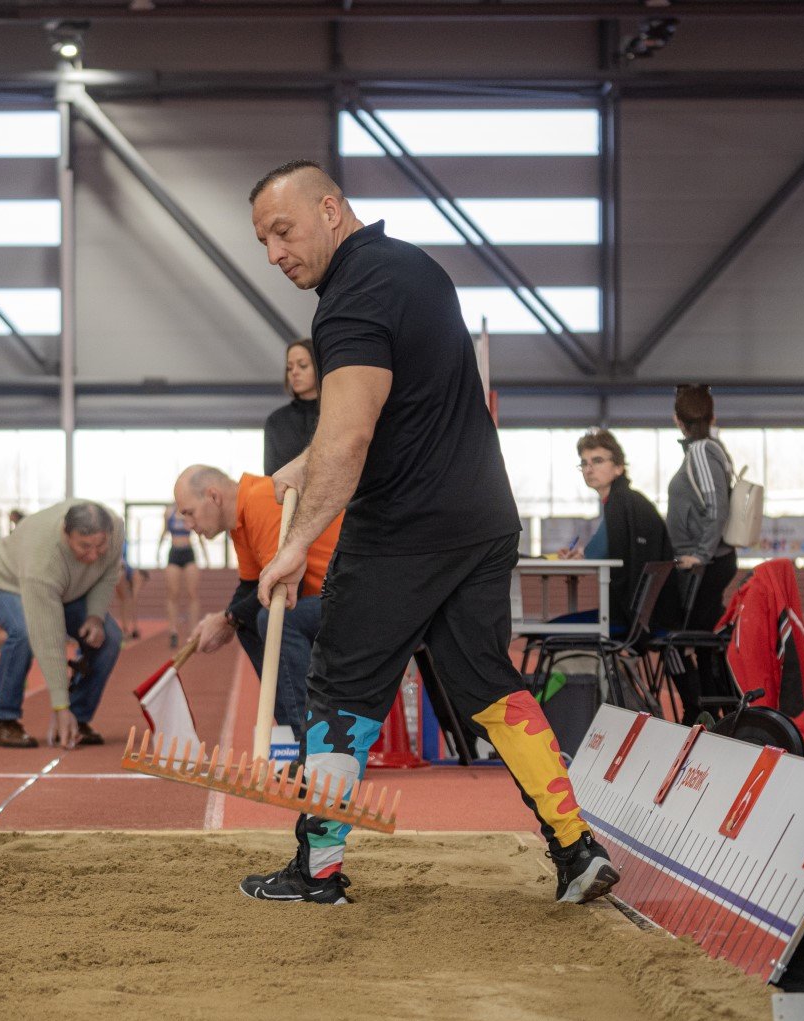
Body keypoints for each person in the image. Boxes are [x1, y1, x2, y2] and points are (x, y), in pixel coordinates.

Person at [244, 160, 617, 906]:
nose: (275, 253)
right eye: (262, 242)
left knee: (341, 688)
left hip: (403, 527)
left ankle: (316, 869)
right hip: (481, 518)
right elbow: (402, 403)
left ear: (329, 209)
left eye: (283, 231)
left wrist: (294, 545)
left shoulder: (348, 301)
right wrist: (300, 462)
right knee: (486, 685)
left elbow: (351, 435)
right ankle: (576, 849)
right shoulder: (415, 269)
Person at [175, 465, 342, 734]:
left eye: (189, 513)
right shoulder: (240, 521)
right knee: (250, 621)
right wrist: (228, 619)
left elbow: (282, 587)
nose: (188, 525)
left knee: (277, 617)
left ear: (213, 496)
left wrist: (228, 618)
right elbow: (251, 586)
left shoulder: (263, 499)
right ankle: (290, 735)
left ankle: (310, 740)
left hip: (352, 601)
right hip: (325, 600)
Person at [0, 500, 124, 750]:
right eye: (84, 546)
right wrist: (60, 705)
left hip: (68, 589)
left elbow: (108, 572)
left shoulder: (116, 526)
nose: (93, 554)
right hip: (7, 581)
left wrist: (95, 616)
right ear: (65, 535)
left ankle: (76, 720)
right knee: (24, 634)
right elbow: (48, 637)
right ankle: (4, 720)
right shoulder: (42, 556)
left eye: (100, 545)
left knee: (109, 637)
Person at [557, 428, 680, 634]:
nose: (589, 469)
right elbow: (604, 548)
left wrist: (583, 556)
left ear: (619, 468)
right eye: (584, 463)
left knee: (545, 631)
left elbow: (596, 553)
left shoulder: (620, 503)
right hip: (650, 616)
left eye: (597, 461)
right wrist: (582, 554)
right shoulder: (627, 500)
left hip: (629, 619)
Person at [666, 384, 737, 716]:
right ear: (712, 416)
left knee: (677, 640)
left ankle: (700, 711)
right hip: (706, 562)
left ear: (677, 420)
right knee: (704, 644)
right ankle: (718, 712)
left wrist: (702, 554)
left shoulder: (701, 451)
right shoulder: (710, 449)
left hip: (706, 564)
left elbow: (716, 507)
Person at [264, 338, 321, 475]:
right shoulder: (277, 420)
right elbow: (271, 474)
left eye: (302, 365)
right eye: (289, 368)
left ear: (319, 367)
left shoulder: (336, 413)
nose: (294, 372)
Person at [159, 503, 201, 648]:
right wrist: (158, 551)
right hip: (174, 553)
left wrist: (205, 555)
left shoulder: (190, 511)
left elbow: (198, 531)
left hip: (189, 552)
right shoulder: (168, 512)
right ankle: (173, 631)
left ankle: (194, 631)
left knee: (192, 593)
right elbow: (164, 531)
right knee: (173, 594)